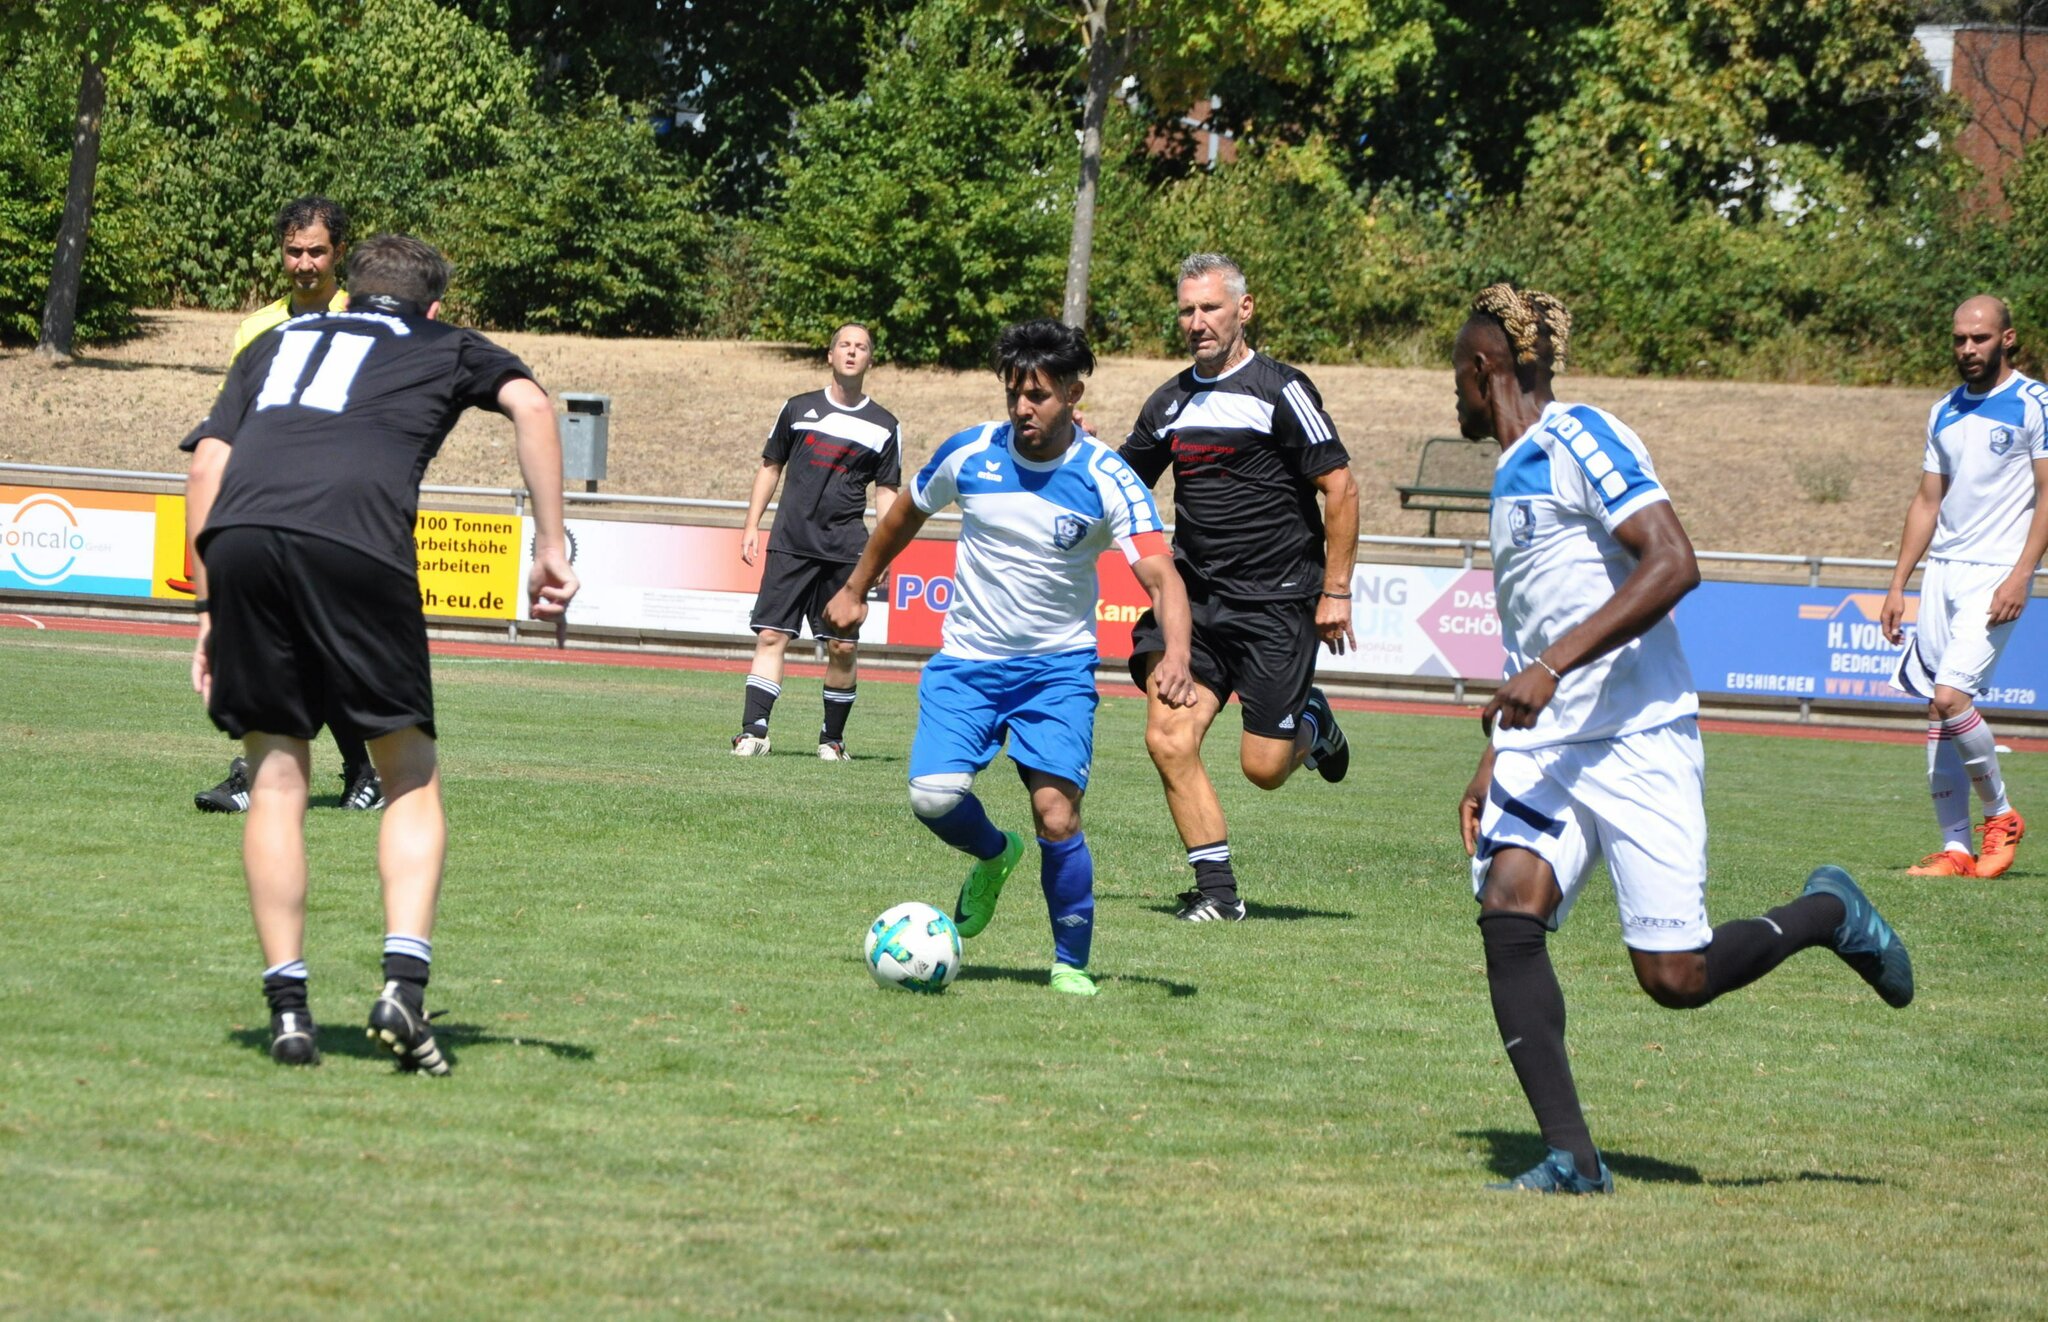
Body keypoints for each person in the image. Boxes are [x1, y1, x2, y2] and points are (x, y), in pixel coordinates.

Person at [1452, 283, 1913, 1194]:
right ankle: (1573, 1160)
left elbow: (1675, 561)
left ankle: (1829, 914)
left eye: (1456, 375)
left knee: (1676, 976)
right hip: (1547, 750)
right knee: (1509, 910)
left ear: (1484, 367)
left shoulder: (1584, 436)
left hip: (1638, 736)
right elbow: (1533, 633)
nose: (1455, 394)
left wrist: (1551, 667)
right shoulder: (1510, 476)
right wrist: (1495, 755)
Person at [182, 234, 579, 1070]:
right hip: (356, 536)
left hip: (243, 536)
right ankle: (402, 987)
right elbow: (536, 408)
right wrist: (551, 545)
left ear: (347, 294)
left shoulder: (274, 340)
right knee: (409, 771)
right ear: (433, 305)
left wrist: (212, 603)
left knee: (275, 776)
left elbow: (210, 460)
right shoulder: (448, 342)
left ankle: (288, 1012)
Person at [823, 319, 1196, 995]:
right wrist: (855, 588)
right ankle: (995, 856)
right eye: (1014, 392)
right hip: (967, 662)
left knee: (1056, 811)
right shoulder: (972, 454)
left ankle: (1069, 965)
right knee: (932, 797)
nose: (1023, 407)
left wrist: (1177, 653)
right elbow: (904, 512)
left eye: (1039, 394)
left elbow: (1163, 576)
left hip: (1056, 672)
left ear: (1074, 392)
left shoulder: (1106, 477)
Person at [1117, 253, 1360, 922]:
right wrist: (1069, 455)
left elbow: (1338, 486)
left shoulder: (1281, 391)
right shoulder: (1168, 403)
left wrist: (1334, 591)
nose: (1198, 323)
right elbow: (1119, 480)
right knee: (1168, 737)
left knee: (1265, 768)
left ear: (1243, 311)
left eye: (1211, 309)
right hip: (1194, 603)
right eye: (1187, 311)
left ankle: (1315, 722)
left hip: (1279, 601)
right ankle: (1218, 895)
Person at [193, 195, 383, 815]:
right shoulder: (256, 328)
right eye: (294, 251)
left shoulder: (368, 320)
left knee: (314, 646)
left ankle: (340, 767)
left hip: (334, 509)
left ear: (339, 253)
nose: (304, 263)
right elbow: (236, 420)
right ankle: (336, 768)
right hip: (266, 505)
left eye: (316, 251)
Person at [1881, 295, 2047, 878]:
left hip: (1996, 572)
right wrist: (1899, 583)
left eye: (1978, 338)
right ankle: (1955, 850)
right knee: (1936, 708)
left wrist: (2023, 573)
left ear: (2007, 338)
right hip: (1943, 573)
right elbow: (1929, 500)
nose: (1967, 349)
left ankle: (2001, 816)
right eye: (1959, 339)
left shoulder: (2035, 403)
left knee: (1953, 699)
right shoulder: (1944, 409)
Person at [732, 323, 901, 760]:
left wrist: (886, 550)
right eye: (844, 345)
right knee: (771, 636)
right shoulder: (797, 409)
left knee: (842, 646)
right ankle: (754, 732)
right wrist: (752, 525)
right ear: (830, 355)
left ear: (869, 359)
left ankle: (832, 740)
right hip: (790, 542)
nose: (851, 352)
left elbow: (886, 492)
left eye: (861, 346)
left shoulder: (884, 425)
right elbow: (770, 467)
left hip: (846, 551)